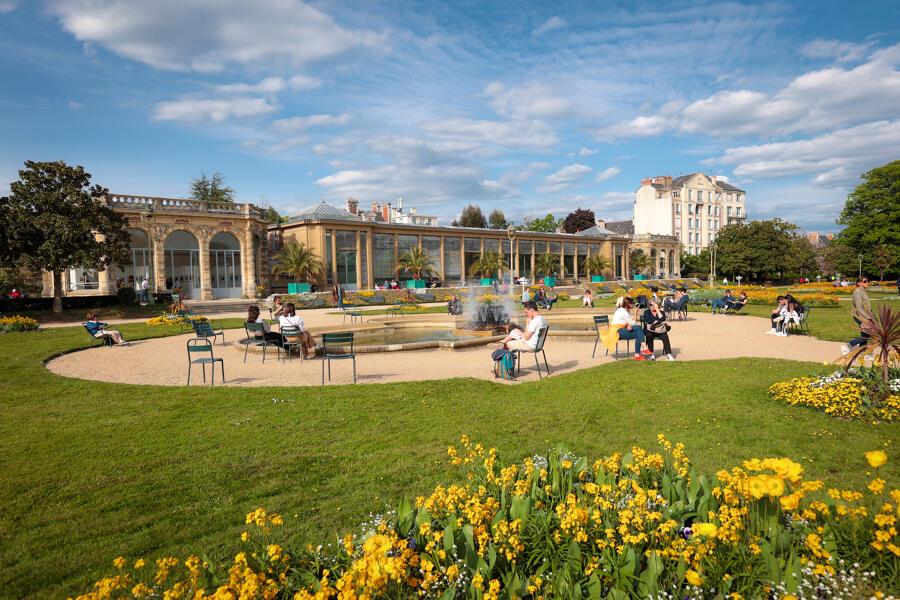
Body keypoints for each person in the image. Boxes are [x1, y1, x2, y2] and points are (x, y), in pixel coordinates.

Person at [612, 296, 650, 361]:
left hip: (620, 329)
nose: (634, 304)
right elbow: (633, 323)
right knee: (638, 328)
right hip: (617, 332)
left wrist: (627, 325)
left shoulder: (623, 310)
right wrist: (635, 312)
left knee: (639, 333)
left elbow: (627, 322)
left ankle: (637, 355)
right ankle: (644, 348)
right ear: (629, 304)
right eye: (632, 303)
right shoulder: (623, 312)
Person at [842, 277, 872, 354]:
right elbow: (859, 307)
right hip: (860, 316)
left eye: (868, 281)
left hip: (864, 315)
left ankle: (862, 351)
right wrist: (867, 317)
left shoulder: (862, 291)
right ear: (859, 283)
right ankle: (848, 346)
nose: (867, 282)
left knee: (865, 334)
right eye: (865, 281)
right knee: (866, 335)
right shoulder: (858, 292)